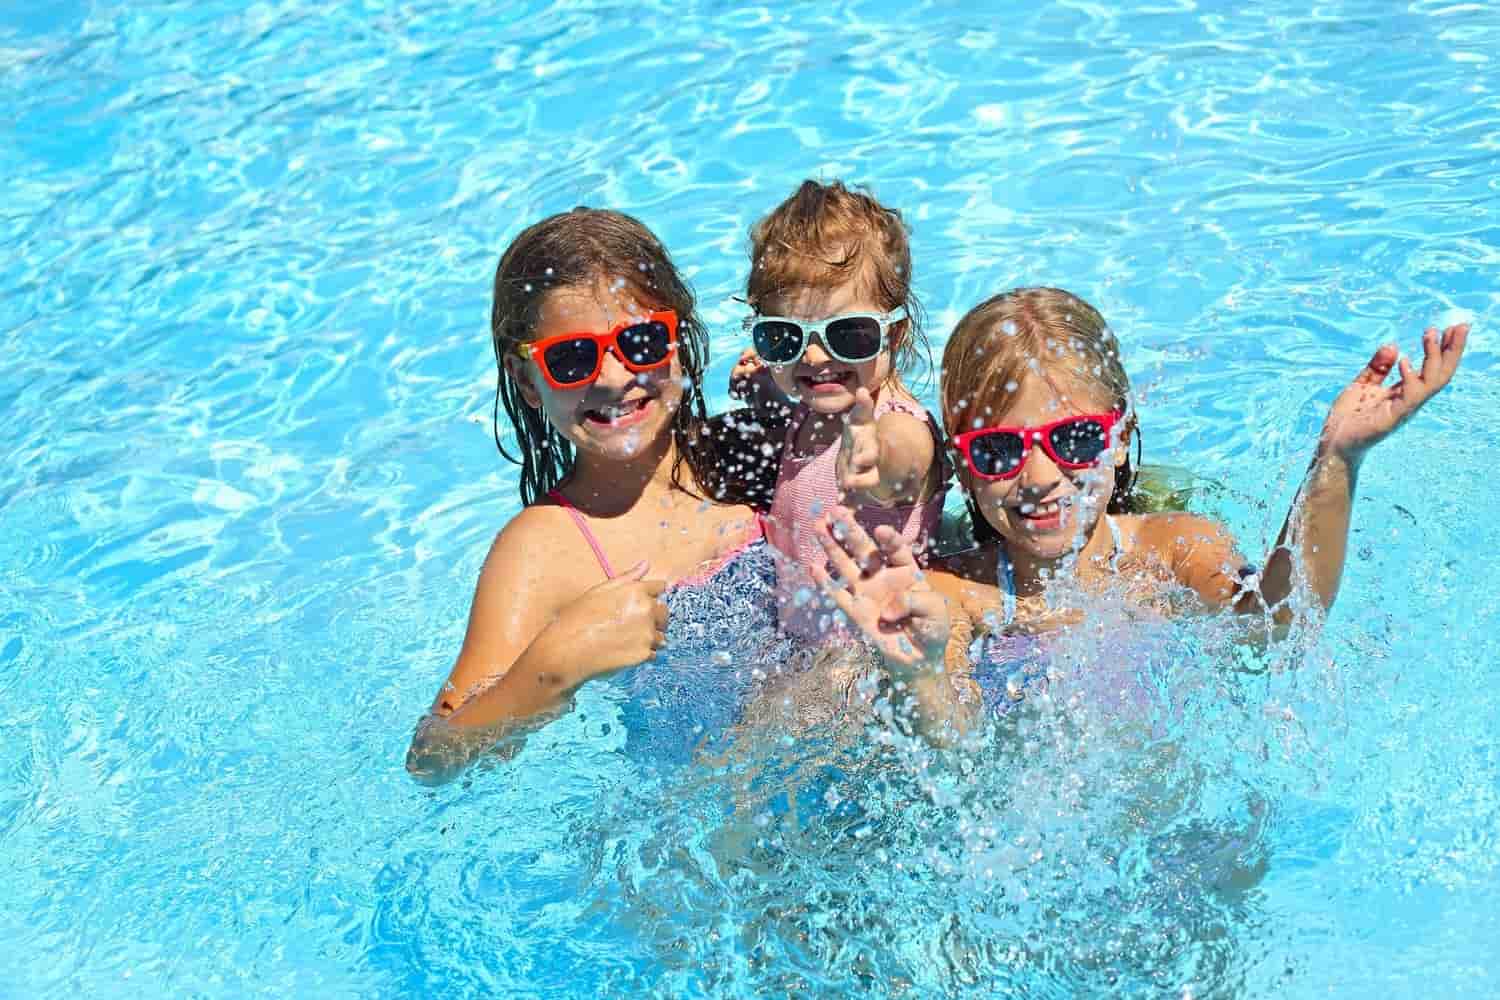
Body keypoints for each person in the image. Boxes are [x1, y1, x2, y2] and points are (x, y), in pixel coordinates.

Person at [812, 286, 1470, 739]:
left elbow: (1275, 626)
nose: (1039, 478)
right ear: (961, 465)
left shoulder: (1173, 550)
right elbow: (956, 745)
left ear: (1121, 437)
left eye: (1075, 439)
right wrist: (920, 677)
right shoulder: (953, 595)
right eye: (998, 450)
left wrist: (1335, 463)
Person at [406, 208, 777, 785]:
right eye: (572, 358)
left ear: (679, 343)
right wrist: (556, 665)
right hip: (704, 810)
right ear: (528, 381)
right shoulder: (546, 548)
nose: (612, 377)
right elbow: (433, 759)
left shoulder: (751, 455)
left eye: (641, 342)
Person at [729, 180, 948, 640]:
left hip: (868, 657)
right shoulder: (816, 405)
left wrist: (878, 459)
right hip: (800, 645)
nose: (813, 357)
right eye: (784, 337)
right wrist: (765, 391)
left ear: (895, 333)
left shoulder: (895, 423)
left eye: (848, 334)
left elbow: (904, 457)